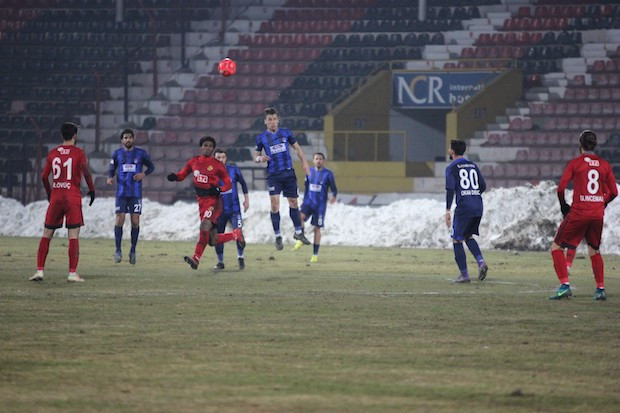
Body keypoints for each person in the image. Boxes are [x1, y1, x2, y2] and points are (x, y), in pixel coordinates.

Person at [549, 130, 617, 300]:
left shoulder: (575, 163)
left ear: (580, 145)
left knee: (557, 247)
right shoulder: (605, 165)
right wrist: (603, 203)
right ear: (595, 145)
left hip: (579, 212)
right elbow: (614, 192)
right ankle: (600, 289)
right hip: (596, 214)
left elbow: (561, 188)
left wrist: (564, 206)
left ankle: (564, 286)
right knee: (594, 249)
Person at [30, 122, 96, 283]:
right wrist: (92, 189)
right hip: (72, 197)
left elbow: (44, 177)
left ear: (62, 135)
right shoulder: (79, 153)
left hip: (56, 197)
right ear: (75, 136)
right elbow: (86, 173)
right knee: (73, 236)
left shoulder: (53, 154)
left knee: (47, 234)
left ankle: (39, 271)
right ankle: (72, 273)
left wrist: (49, 193)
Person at [167, 136, 244, 270]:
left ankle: (196, 259)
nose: (207, 147)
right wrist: (175, 177)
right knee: (212, 240)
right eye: (205, 145)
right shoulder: (193, 162)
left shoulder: (217, 164)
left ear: (212, 148)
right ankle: (235, 235)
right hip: (202, 202)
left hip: (214, 201)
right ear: (201, 147)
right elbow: (182, 175)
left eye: (210, 146)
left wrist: (219, 189)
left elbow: (228, 184)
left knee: (204, 226)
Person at [254, 107, 311, 250]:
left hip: (288, 173)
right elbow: (255, 156)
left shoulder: (286, 133)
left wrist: (304, 163)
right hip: (274, 175)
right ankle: (278, 235)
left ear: (277, 120)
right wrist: (260, 158)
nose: (272, 122)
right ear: (265, 122)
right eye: (269, 119)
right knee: (275, 204)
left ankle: (298, 233)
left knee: (293, 202)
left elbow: (297, 148)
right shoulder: (261, 138)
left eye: (274, 119)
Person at [106, 128, 155, 265]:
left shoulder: (141, 153)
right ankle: (117, 250)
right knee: (119, 219)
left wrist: (143, 174)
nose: (128, 140)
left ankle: (133, 251)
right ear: (122, 140)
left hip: (135, 193)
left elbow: (151, 167)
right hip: (121, 193)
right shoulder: (117, 154)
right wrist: (110, 177)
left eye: (130, 137)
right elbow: (111, 168)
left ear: (133, 139)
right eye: (125, 138)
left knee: (135, 221)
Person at [444, 139, 489, 283]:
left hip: (464, 206)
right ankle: (481, 262)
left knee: (457, 239)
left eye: (450, 148)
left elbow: (450, 189)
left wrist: (447, 210)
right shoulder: (473, 165)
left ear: (452, 151)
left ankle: (464, 275)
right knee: (468, 236)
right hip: (477, 204)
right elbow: (482, 185)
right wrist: (473, 194)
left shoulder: (451, 167)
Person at [291, 152, 337, 262]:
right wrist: (303, 200)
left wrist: (333, 196)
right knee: (299, 217)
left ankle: (315, 255)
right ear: (313, 161)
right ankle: (301, 238)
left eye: (320, 159)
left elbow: (334, 189)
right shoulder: (309, 171)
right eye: (316, 159)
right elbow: (307, 187)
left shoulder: (328, 174)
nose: (318, 161)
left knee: (317, 229)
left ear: (323, 161)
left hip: (320, 206)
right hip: (308, 202)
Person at [213, 148, 249, 270]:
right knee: (218, 236)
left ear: (226, 158)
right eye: (218, 157)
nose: (221, 160)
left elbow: (243, 184)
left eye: (222, 157)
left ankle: (240, 257)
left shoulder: (233, 170)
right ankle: (220, 262)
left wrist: (246, 200)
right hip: (218, 211)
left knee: (239, 233)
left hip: (234, 210)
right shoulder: (210, 174)